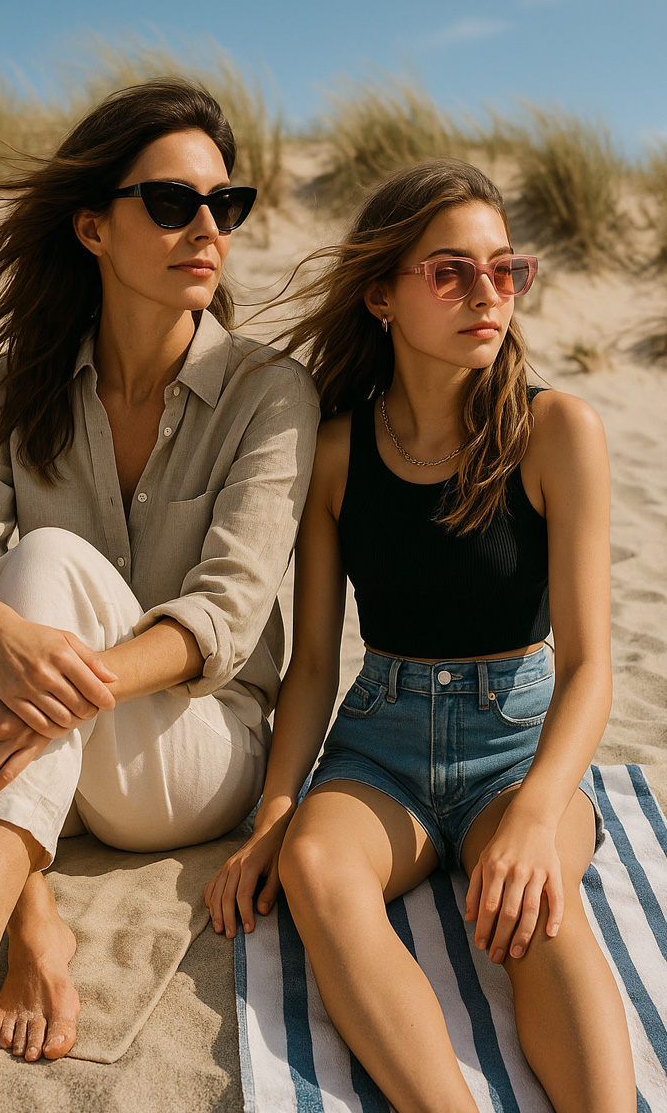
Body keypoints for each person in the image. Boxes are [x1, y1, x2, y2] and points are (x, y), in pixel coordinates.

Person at [0, 78, 318, 1113]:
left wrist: (47, 674)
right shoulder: (16, 380)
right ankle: (26, 917)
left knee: (43, 572)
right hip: (64, 755)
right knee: (26, 584)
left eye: (225, 205)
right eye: (170, 202)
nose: (206, 229)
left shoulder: (268, 392)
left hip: (198, 751)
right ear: (93, 228)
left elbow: (225, 617)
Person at [206, 158, 636, 1112]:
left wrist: (536, 815)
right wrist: (275, 816)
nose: (488, 293)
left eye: (504, 269)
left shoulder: (557, 432)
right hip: (381, 745)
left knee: (537, 906)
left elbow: (590, 666)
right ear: (382, 296)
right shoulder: (335, 451)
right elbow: (313, 665)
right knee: (316, 870)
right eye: (450, 272)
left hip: (518, 748)